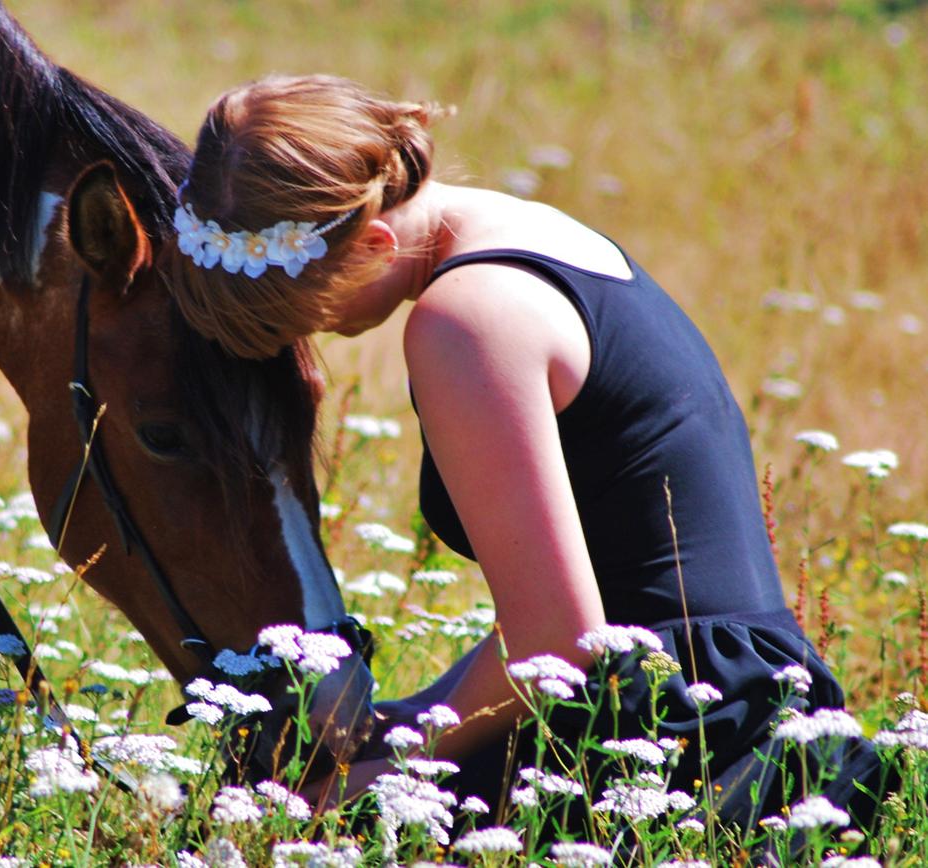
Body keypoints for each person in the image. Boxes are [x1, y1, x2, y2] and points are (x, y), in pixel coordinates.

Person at [164, 74, 887, 831]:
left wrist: (380, 767)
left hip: (676, 729)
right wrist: (409, 718)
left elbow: (561, 643)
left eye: (305, 313)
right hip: (736, 681)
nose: (315, 333)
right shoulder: (533, 236)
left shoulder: (465, 322)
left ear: (375, 244)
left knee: (290, 819)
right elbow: (606, 601)